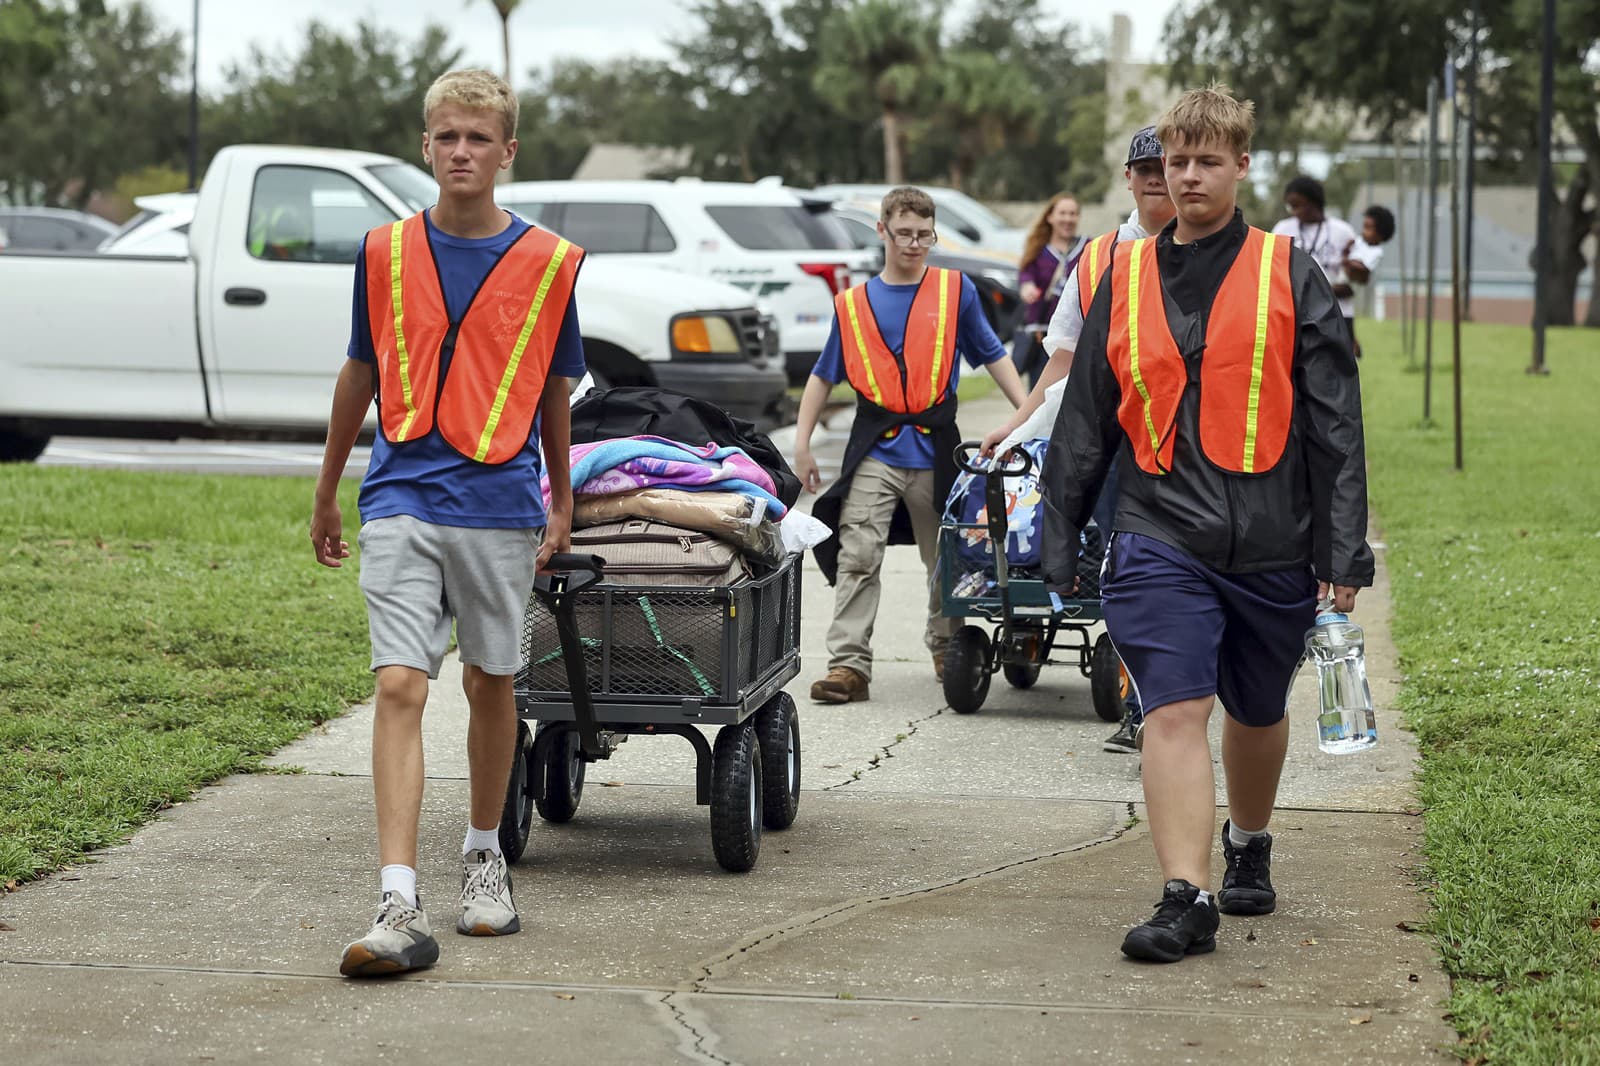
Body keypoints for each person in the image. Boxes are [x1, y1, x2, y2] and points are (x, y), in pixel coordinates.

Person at [1039, 85, 1373, 964]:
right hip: (1159, 529)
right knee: (1173, 704)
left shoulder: (1290, 273)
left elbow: (1336, 421)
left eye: (1206, 161)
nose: (1187, 176)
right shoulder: (1123, 277)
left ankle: (1249, 841)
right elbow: (1086, 416)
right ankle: (1185, 896)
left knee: (1257, 706)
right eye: (1174, 162)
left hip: (1273, 536)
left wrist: (1343, 548)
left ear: (1240, 166)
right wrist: (1059, 524)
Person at [309, 69, 587, 978]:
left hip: (500, 504)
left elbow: (552, 386)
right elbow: (359, 371)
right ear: (424, 145)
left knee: (491, 683)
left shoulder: (551, 262)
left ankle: (483, 859)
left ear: (507, 151)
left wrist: (560, 496)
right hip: (400, 495)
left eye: (478, 138)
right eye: (445, 137)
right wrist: (326, 490)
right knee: (399, 685)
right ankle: (397, 898)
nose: (461, 151)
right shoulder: (382, 251)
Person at [981, 125, 1176, 755]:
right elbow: (1062, 359)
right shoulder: (1097, 258)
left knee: (1166, 572)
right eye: (1144, 168)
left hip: (1182, 442)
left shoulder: (1206, 249)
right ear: (1127, 177)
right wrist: (1018, 423)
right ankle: (1142, 703)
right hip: (1106, 438)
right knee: (1122, 567)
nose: (1155, 179)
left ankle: (1160, 701)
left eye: (1164, 166)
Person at [795, 186, 1027, 704]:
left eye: (925, 235)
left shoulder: (954, 291)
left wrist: (1025, 416)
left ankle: (947, 647)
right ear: (882, 231)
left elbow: (992, 352)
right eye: (905, 234)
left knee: (947, 557)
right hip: (876, 447)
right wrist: (803, 444)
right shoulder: (853, 305)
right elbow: (822, 375)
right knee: (858, 552)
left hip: (936, 447)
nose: (915, 244)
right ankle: (848, 665)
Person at [1271, 175, 1360, 345]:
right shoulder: (1283, 229)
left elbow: (1355, 279)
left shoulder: (1342, 231)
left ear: (1314, 202)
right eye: (1290, 206)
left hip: (1338, 312)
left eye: (1297, 205)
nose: (1293, 211)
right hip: (1297, 312)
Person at [1014, 194, 1086, 388]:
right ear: (1050, 217)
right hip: (1043, 339)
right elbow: (1025, 274)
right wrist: (1027, 287)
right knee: (1040, 399)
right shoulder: (1038, 250)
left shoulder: (1089, 247)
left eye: (1073, 214)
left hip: (1077, 339)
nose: (1068, 219)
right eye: (1062, 213)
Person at [1336, 205, 1397, 358]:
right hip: (1344, 279)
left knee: (1332, 297)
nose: (1364, 232)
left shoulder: (1376, 252)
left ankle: (1353, 348)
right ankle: (1353, 343)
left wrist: (1347, 261)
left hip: (1350, 286)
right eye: (1364, 227)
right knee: (1342, 318)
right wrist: (1347, 251)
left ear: (1380, 235)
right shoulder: (1359, 241)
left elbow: (1363, 267)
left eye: (1369, 228)